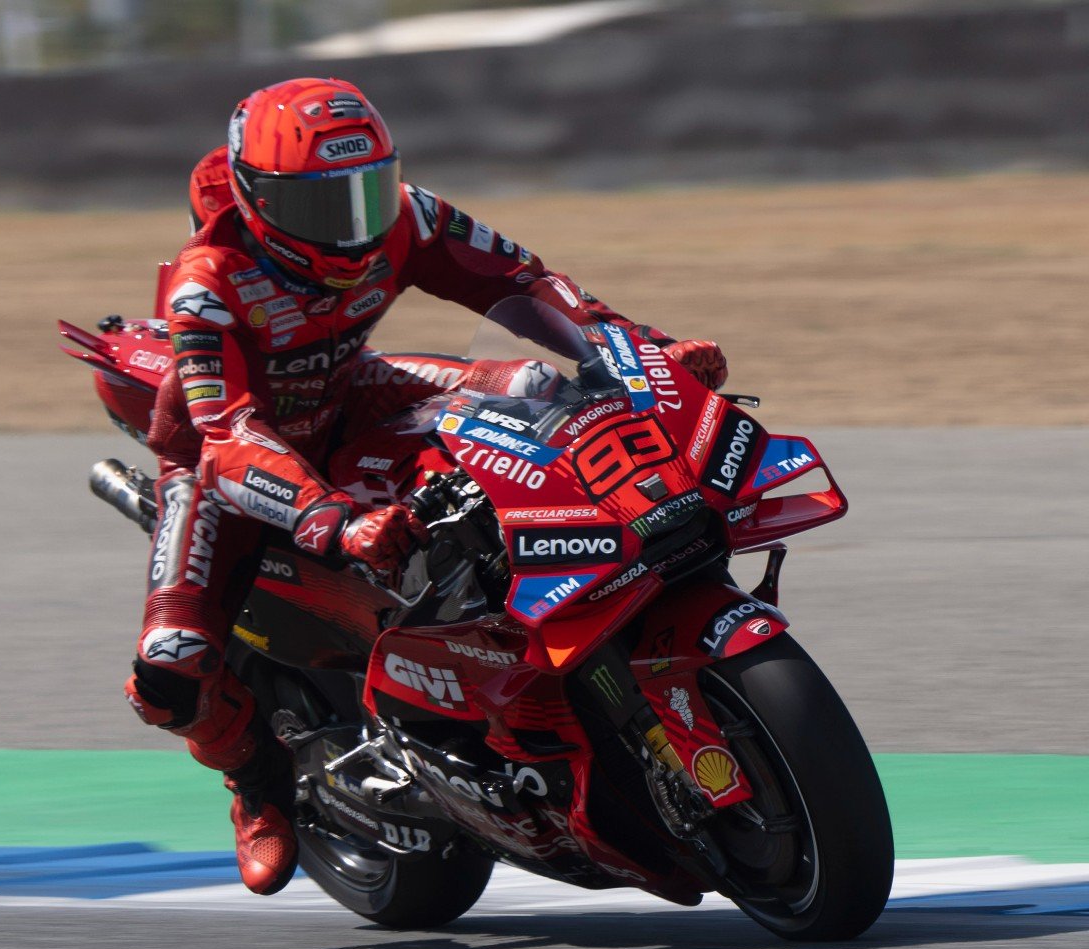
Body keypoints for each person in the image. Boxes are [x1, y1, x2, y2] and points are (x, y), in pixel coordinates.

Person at [128, 77, 730, 895]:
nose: (353, 226)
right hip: (227, 462)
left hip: (354, 390)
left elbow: (525, 284)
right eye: (320, 208)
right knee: (170, 668)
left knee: (538, 389)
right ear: (257, 198)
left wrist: (641, 353)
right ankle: (257, 783)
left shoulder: (411, 217)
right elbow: (228, 435)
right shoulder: (210, 282)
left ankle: (568, 603)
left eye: (366, 191)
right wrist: (328, 518)